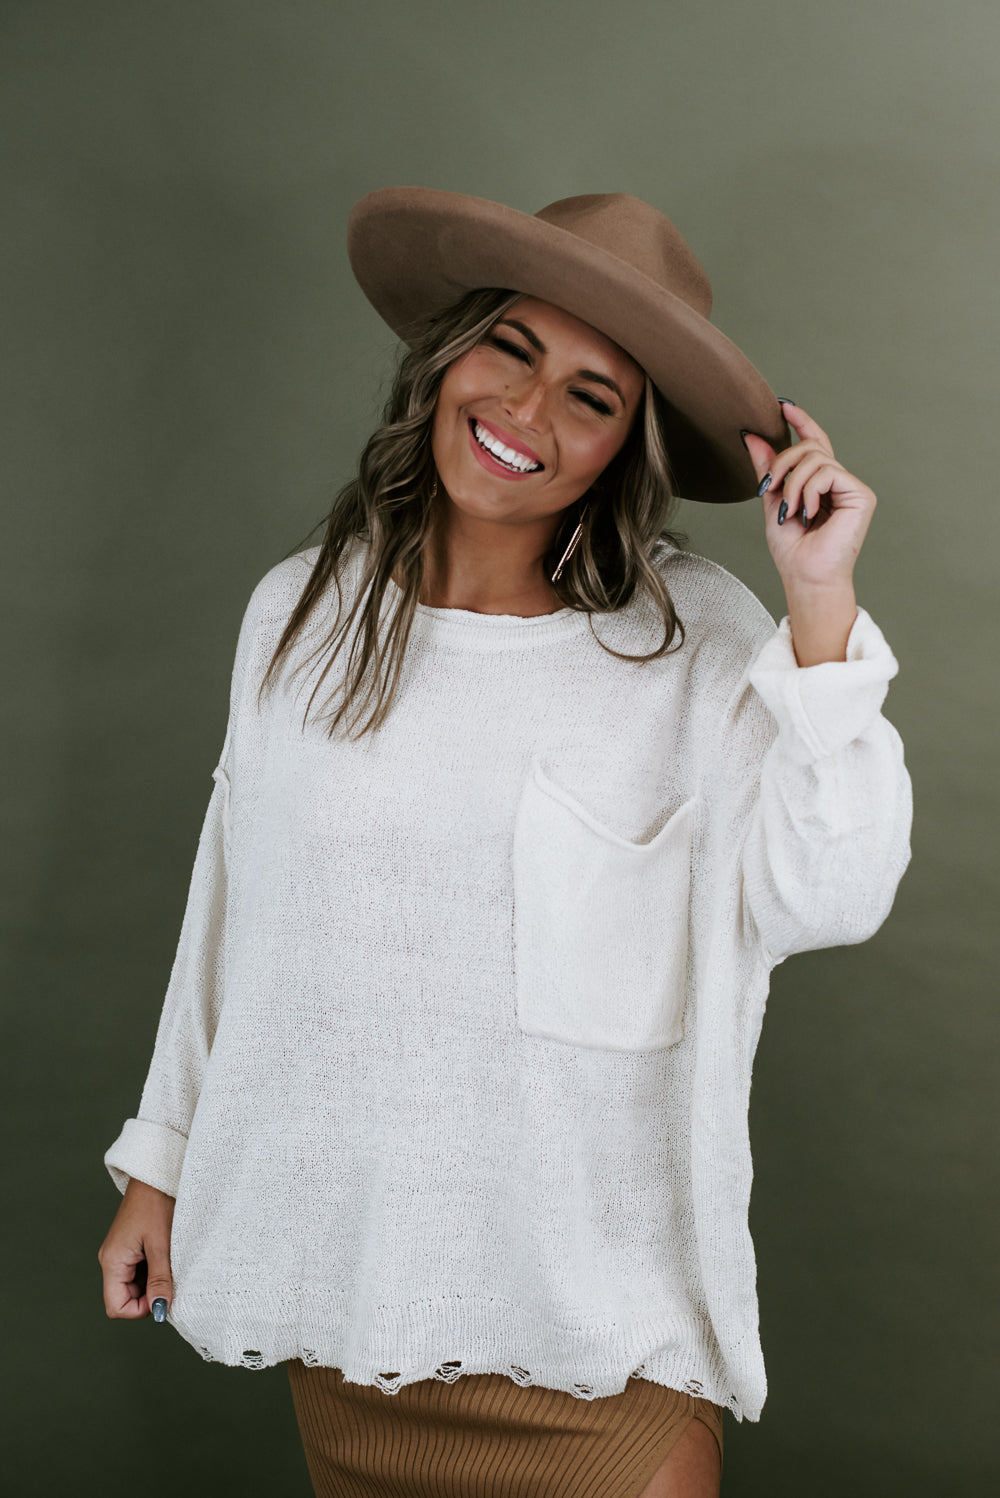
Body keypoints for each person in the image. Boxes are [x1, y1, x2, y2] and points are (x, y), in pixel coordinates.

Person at [98, 188, 912, 1498]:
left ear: (627, 446)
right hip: (353, 1318)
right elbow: (236, 908)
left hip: (603, 1340)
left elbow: (836, 890)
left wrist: (819, 604)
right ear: (446, 356)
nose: (527, 411)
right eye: (511, 351)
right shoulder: (302, 616)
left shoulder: (691, 645)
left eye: (592, 396)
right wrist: (160, 1161)